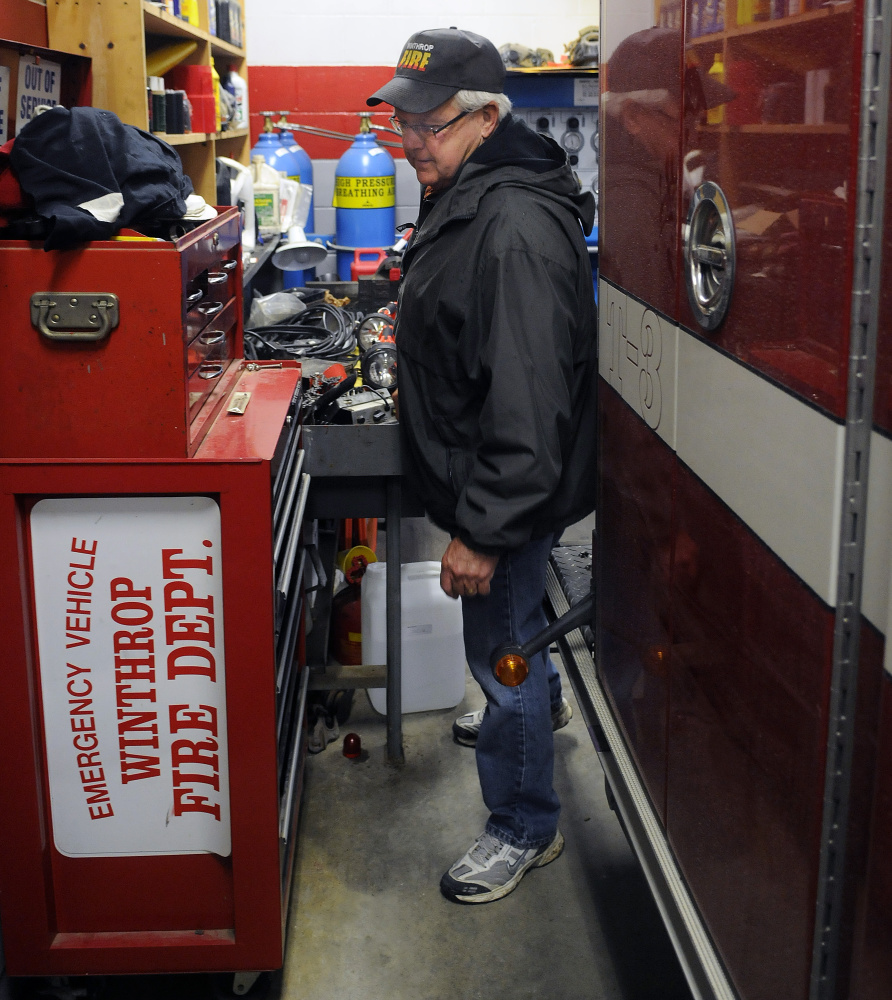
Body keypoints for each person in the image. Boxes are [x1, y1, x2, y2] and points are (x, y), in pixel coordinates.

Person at [367, 27, 598, 904]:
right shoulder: (468, 187)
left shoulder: (512, 226)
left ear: (485, 117)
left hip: (499, 493)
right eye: (401, 120)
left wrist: (481, 530)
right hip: (487, 479)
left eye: (427, 123)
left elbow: (528, 409)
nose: (410, 140)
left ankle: (524, 824)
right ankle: (537, 705)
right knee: (517, 639)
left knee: (499, 647)